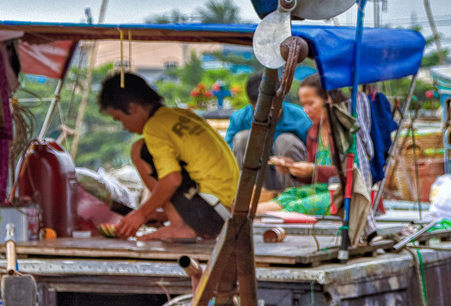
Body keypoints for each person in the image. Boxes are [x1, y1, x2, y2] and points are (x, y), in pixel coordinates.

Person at [98, 73, 240, 240]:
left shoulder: (155, 127)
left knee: (139, 150)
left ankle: (179, 226)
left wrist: (141, 214)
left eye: (120, 118)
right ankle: (177, 218)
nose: (124, 127)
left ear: (131, 108)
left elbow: (172, 179)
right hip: (228, 212)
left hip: (211, 215)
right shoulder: (180, 114)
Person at [259, 74, 341, 215]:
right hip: (318, 190)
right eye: (303, 105)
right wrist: (293, 170)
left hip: (342, 193)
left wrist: (313, 170)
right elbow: (313, 177)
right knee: (287, 196)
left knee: (294, 206)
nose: (306, 110)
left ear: (328, 100)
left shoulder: (344, 130)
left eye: (310, 104)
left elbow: (353, 172)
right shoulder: (314, 130)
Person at [225, 74, 313, 192]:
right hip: (259, 183)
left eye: (276, 104)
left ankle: (293, 197)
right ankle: (248, 194)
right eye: (266, 108)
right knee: (243, 138)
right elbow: (227, 155)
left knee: (286, 141)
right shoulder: (239, 119)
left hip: (293, 180)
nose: (272, 111)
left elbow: (315, 154)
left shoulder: (301, 118)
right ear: (251, 103)